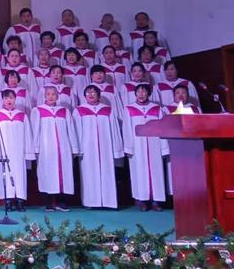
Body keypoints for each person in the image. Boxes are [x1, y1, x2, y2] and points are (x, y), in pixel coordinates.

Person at [72, 85, 123, 209]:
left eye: (94, 92)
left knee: (107, 173)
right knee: (89, 174)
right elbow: (76, 131)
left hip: (106, 148)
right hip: (87, 148)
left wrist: (117, 150)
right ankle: (91, 202)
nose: (91, 94)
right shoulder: (79, 110)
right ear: (84, 96)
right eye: (88, 92)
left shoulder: (108, 110)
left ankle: (108, 202)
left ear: (99, 95)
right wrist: (77, 148)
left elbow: (115, 130)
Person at [31, 86, 80, 212]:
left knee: (64, 174)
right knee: (47, 174)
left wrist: (74, 148)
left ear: (57, 96)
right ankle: (48, 202)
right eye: (48, 94)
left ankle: (61, 202)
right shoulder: (38, 111)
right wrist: (35, 148)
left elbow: (71, 130)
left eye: (54, 94)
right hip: (46, 148)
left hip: (63, 148)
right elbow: (35, 131)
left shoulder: (64, 111)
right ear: (45, 96)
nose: (51, 96)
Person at [123, 84, 168, 212]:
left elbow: (163, 129)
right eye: (139, 92)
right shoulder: (129, 109)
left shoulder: (157, 109)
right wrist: (129, 147)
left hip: (154, 143)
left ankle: (156, 201)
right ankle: (141, 200)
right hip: (138, 145)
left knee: (156, 172)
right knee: (139, 172)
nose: (141, 94)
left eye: (144, 92)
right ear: (135, 94)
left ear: (149, 94)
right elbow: (127, 129)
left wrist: (164, 148)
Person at [0, 90, 35, 212]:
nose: (9, 100)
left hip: (19, 151)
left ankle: (20, 200)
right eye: (6, 98)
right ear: (2, 100)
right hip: (4, 151)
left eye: (11, 98)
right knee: (5, 174)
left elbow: (28, 135)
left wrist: (28, 152)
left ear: (15, 99)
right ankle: (8, 201)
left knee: (20, 175)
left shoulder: (22, 115)